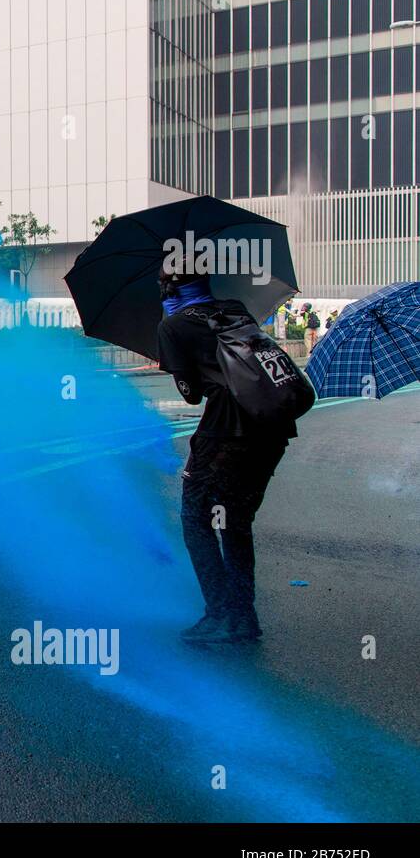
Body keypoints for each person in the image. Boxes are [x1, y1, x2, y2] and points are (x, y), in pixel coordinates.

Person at [156, 262, 295, 644]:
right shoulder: (234, 309)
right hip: (271, 428)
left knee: (195, 518)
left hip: (226, 434)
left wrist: (171, 338)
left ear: (168, 288)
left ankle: (220, 614)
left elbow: (191, 393)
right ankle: (243, 616)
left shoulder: (173, 325)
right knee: (235, 523)